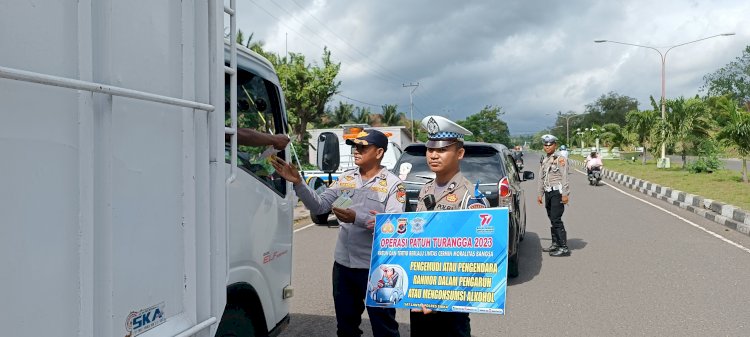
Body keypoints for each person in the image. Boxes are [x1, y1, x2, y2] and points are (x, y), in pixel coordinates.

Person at [271, 129, 403, 337]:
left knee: (384, 327)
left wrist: (356, 218)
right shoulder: (346, 179)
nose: (356, 151)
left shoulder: (393, 185)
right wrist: (298, 183)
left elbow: (394, 228)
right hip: (343, 267)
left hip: (376, 268)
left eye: (362, 147)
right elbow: (319, 206)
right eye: (355, 147)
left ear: (378, 153)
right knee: (346, 328)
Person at [409, 115, 490, 337]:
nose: (434, 155)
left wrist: (443, 295)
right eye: (430, 149)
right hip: (420, 291)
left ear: (460, 153)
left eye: (443, 150)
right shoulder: (425, 190)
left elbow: (477, 255)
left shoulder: (471, 196)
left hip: (450, 299)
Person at [537, 134, 571, 257]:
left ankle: (563, 247)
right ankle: (555, 244)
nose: (547, 147)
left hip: (558, 192)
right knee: (552, 218)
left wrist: (565, 194)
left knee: (556, 219)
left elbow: (565, 177)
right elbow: (541, 177)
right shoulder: (545, 160)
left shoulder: (560, 159)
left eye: (550, 144)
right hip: (548, 192)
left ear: (555, 145)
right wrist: (540, 194)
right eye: (545, 145)